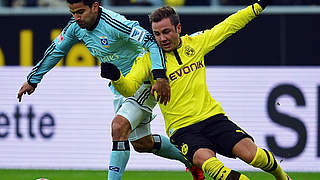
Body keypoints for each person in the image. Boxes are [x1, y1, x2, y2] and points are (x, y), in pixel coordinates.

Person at [100, 1, 293, 179]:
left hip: (213, 118)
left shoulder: (196, 44)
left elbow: (229, 25)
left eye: (166, 32)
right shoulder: (149, 60)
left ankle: (283, 177)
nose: (162, 38)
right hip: (183, 130)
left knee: (254, 156)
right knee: (213, 166)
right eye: (157, 34)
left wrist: (258, 6)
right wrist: (116, 77)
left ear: (178, 28)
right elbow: (129, 88)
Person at [16, 0, 204, 179]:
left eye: (81, 12)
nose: (77, 18)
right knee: (141, 143)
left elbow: (150, 42)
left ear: (95, 7)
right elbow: (56, 50)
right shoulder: (75, 28)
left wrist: (160, 75)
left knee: (119, 126)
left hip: (143, 80)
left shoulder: (115, 23)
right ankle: (191, 159)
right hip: (120, 86)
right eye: (73, 13)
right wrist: (33, 80)